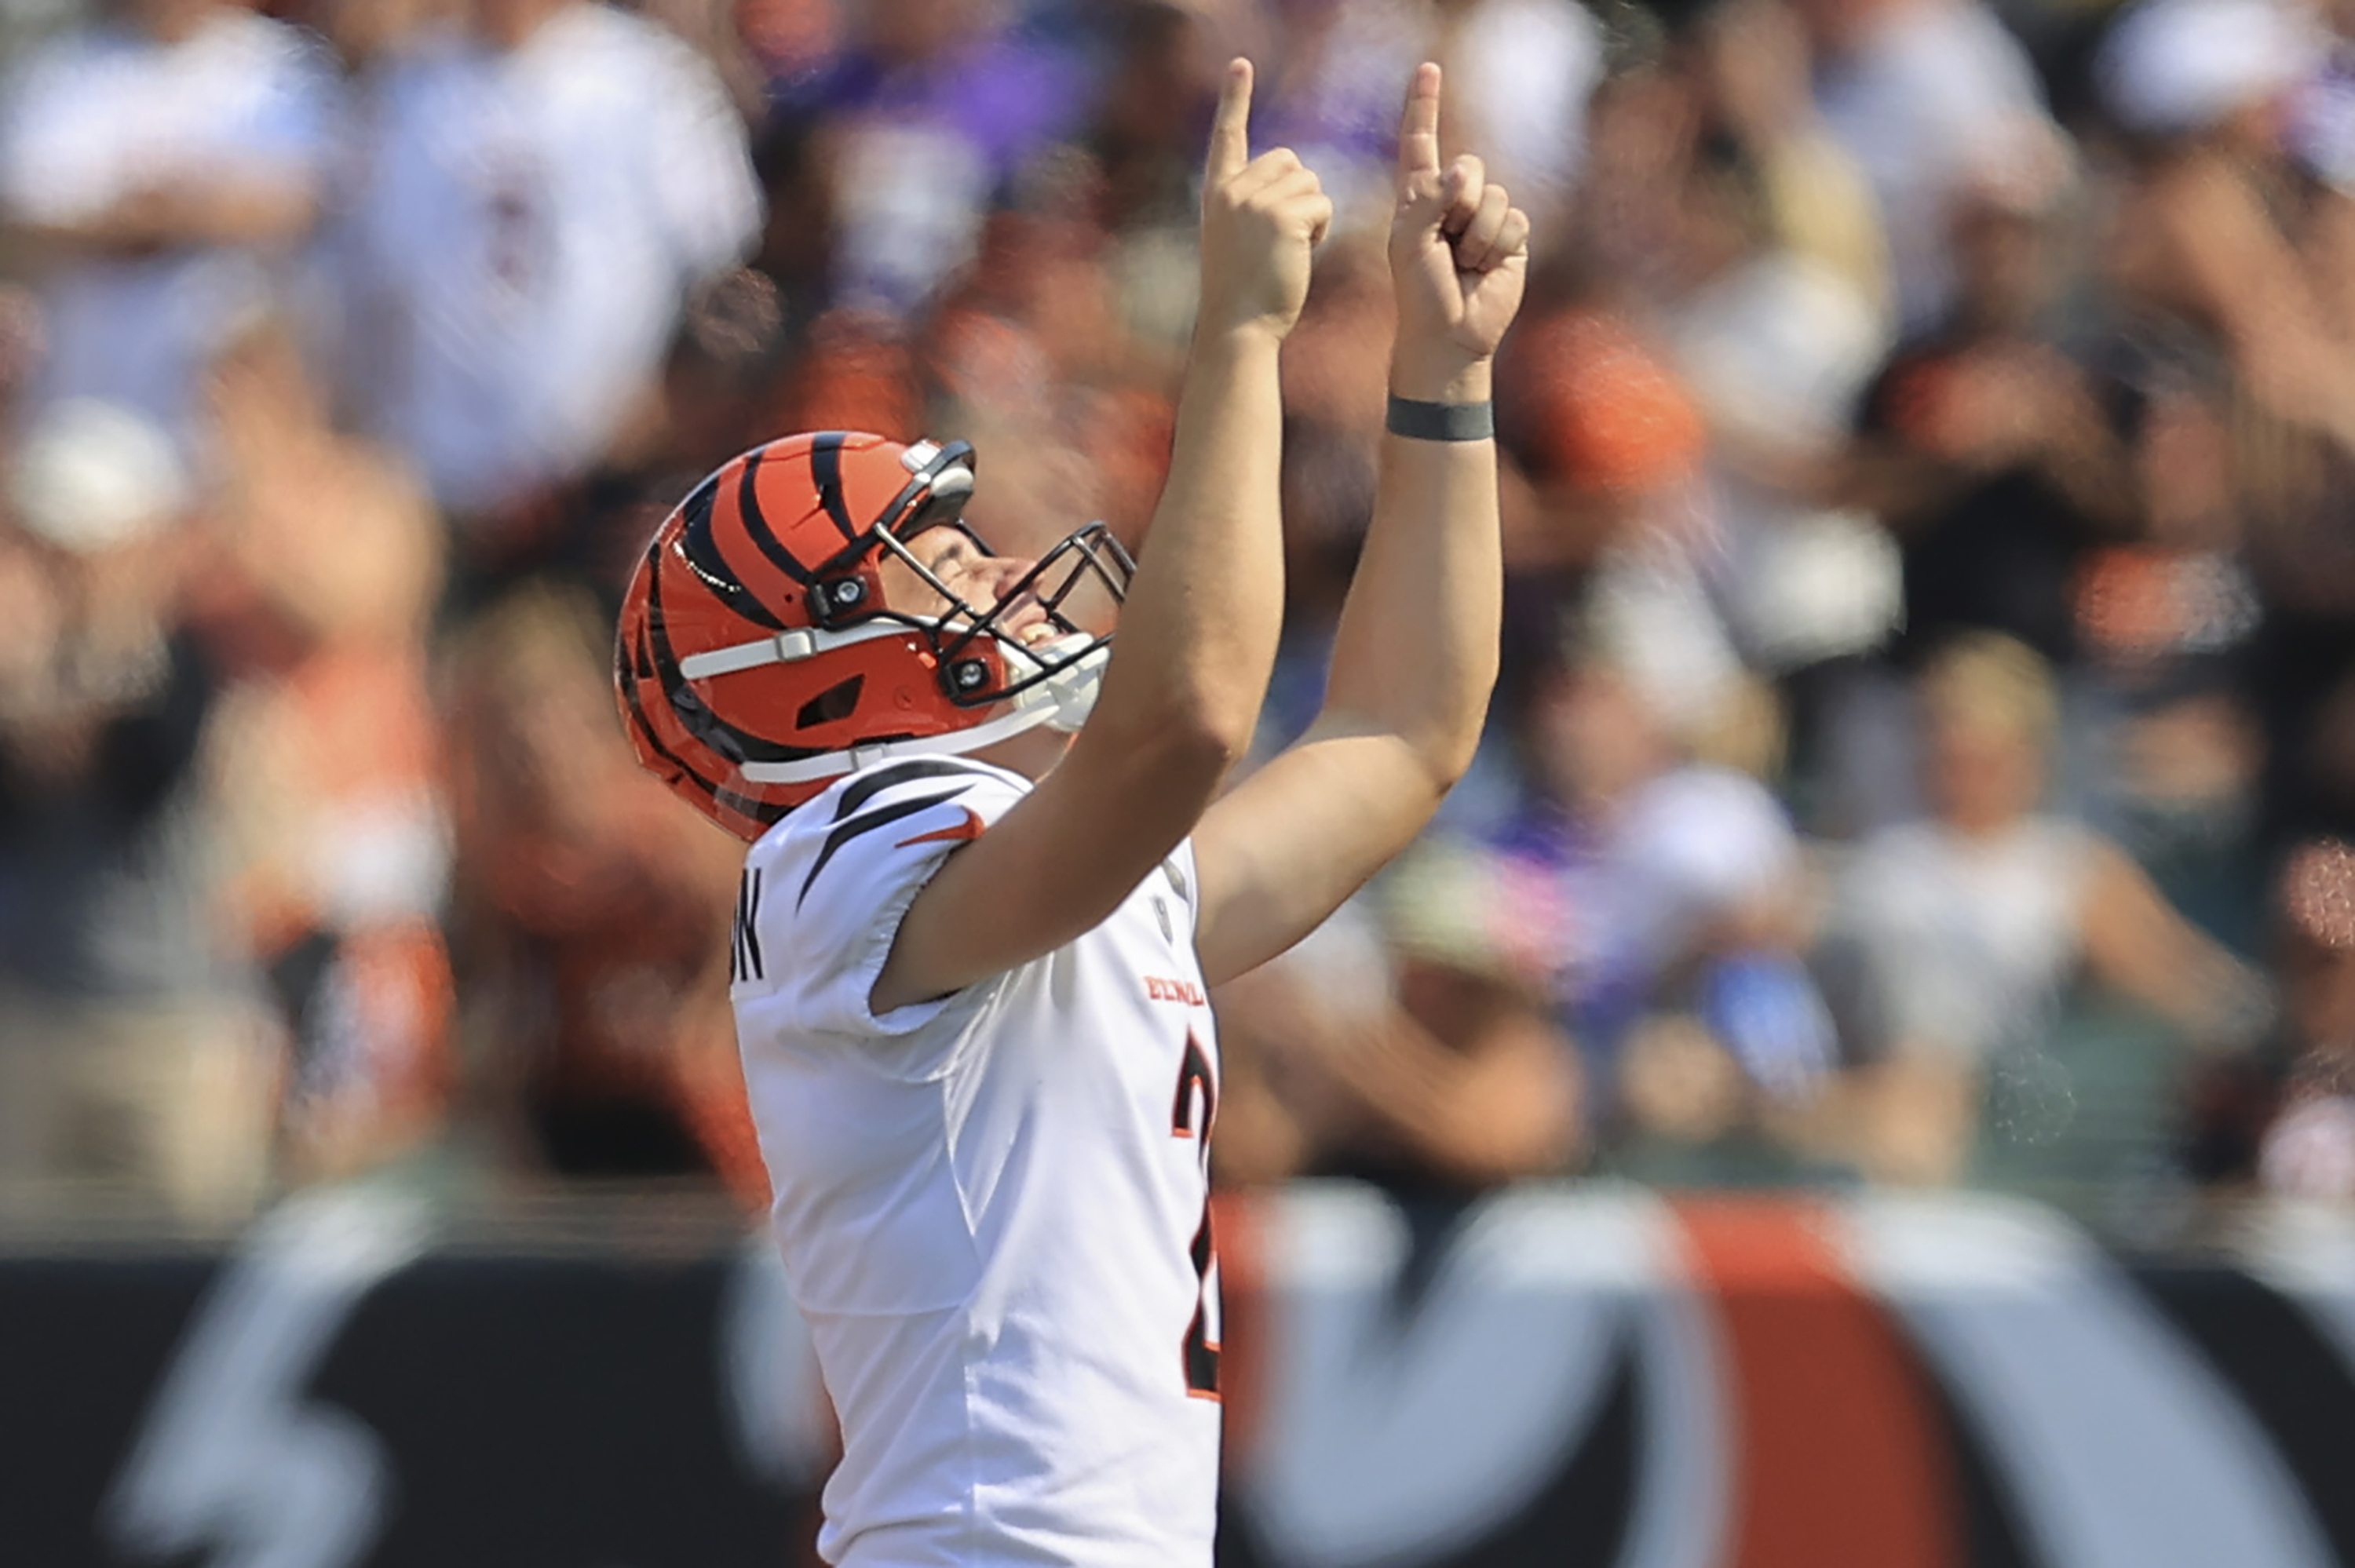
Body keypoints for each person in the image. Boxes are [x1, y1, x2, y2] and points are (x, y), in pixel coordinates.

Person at [616, 57, 1528, 1568]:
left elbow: (1402, 733)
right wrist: (1236, 331)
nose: (983, 569)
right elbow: (1185, 721)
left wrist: (1442, 378)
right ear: (808, 659)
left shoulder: (1020, 875)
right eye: (925, 554)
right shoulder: (837, 862)